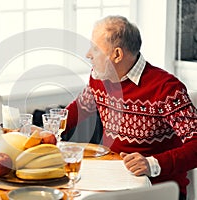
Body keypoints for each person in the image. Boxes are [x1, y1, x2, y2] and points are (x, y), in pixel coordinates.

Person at [64, 15, 197, 200]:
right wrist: (45, 129)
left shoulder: (167, 89)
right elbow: (80, 109)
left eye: (95, 48)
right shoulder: (99, 78)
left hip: (157, 190)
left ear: (117, 55)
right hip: (112, 180)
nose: (88, 54)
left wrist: (153, 164)